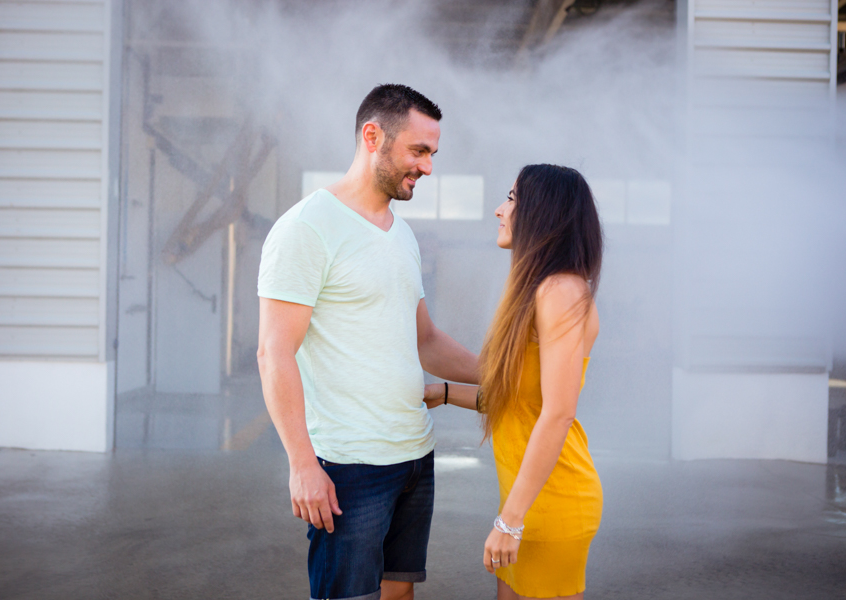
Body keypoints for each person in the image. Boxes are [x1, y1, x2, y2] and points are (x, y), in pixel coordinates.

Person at [256, 84, 478, 600]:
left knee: (399, 592)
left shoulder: (400, 233)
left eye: (432, 155)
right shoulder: (308, 228)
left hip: (414, 455)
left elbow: (425, 341)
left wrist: (504, 373)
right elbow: (274, 352)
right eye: (418, 151)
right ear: (372, 136)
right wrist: (302, 464)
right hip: (349, 467)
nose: (427, 168)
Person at [425, 164, 604, 600]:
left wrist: (509, 521)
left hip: (551, 502)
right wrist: (442, 393)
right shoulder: (541, 289)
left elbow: (558, 413)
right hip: (532, 503)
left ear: (542, 213)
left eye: (512, 198)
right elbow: (517, 396)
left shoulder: (560, 292)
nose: (499, 209)